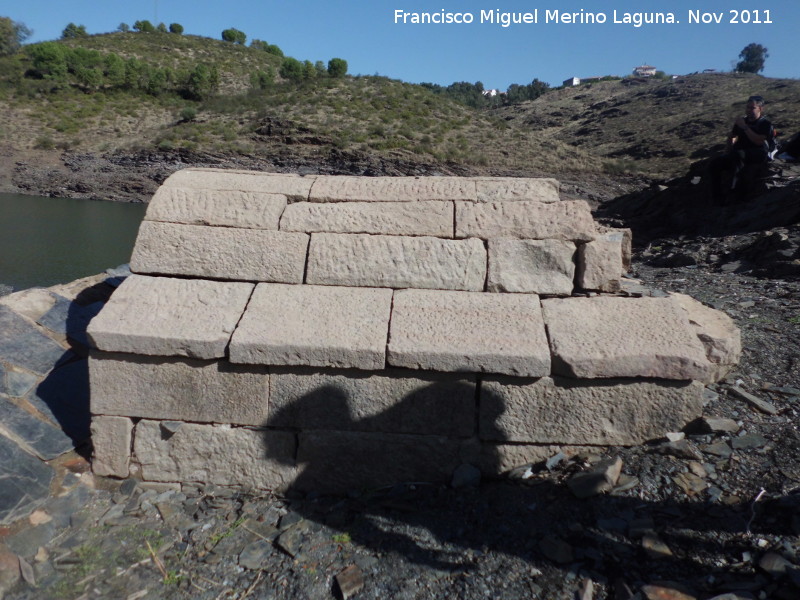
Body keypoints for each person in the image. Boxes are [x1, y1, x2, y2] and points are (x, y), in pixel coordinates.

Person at [709, 95, 773, 204]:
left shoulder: (765, 124)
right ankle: (717, 196)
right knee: (715, 163)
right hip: (739, 152)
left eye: (752, 108)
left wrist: (745, 127)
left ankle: (735, 191)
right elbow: (732, 136)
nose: (748, 110)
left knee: (738, 156)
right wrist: (727, 152)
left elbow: (758, 141)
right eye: (747, 107)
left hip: (758, 153)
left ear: (760, 109)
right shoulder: (742, 121)